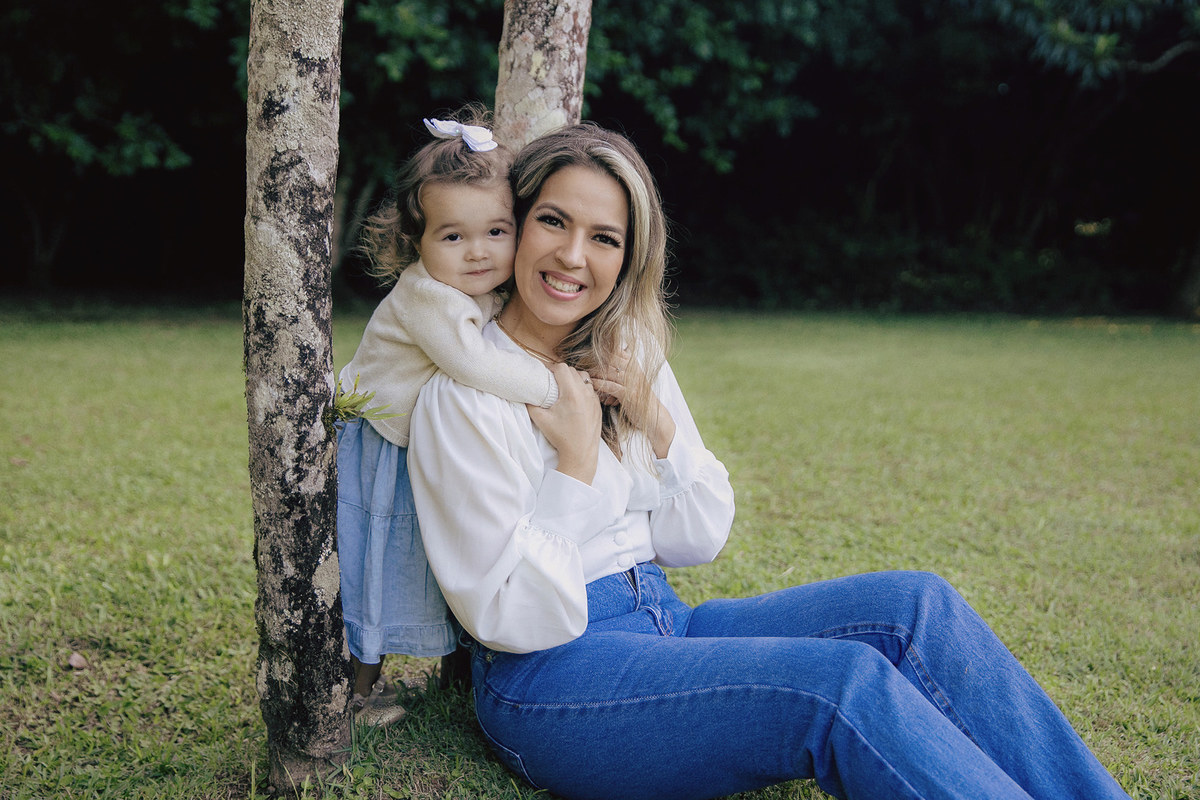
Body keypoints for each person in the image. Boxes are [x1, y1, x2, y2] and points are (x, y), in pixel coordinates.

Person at [406, 123, 1133, 800]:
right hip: (550, 681)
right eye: (554, 221)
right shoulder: (463, 399)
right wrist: (574, 461)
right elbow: (503, 614)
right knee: (835, 686)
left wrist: (655, 423)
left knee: (917, 605)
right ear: (517, 223)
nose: (572, 256)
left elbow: (696, 539)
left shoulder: (624, 358)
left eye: (604, 237)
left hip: (667, 622)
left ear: (628, 259)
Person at [336, 108, 559, 723]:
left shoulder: (480, 289)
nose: (477, 253)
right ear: (417, 242)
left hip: (423, 443)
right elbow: (472, 364)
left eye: (495, 231)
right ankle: (359, 689)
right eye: (452, 237)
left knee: (446, 553)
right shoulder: (427, 297)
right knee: (384, 557)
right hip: (385, 443)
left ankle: (454, 673)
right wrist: (553, 387)